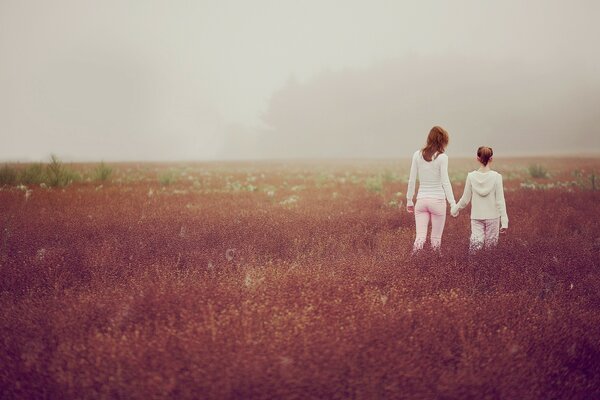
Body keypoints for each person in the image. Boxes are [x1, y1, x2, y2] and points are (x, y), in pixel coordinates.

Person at [406, 126, 456, 253]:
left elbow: (412, 179)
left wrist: (409, 200)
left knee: (420, 237)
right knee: (436, 239)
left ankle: (413, 262)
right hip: (437, 201)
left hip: (421, 201)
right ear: (443, 140)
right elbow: (445, 181)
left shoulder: (417, 155)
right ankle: (435, 265)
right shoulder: (442, 157)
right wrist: (452, 203)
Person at [451, 146, 508, 252]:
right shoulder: (497, 177)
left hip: (476, 216)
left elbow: (465, 199)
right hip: (493, 217)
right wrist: (504, 222)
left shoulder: (471, 176)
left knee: (475, 246)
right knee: (491, 248)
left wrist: (455, 209)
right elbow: (500, 201)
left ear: (478, 158)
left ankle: (473, 267)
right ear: (491, 159)